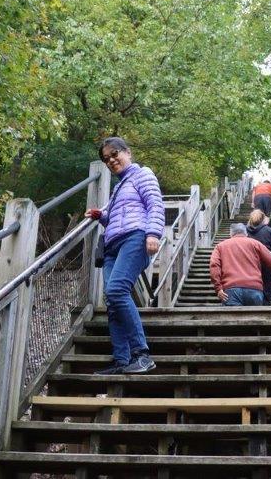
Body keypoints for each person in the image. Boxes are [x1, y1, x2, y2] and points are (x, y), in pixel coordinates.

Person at [85, 137, 164, 374]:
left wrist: (153, 233)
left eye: (114, 154)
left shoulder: (143, 175)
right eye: (106, 159)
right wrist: (102, 215)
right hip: (112, 246)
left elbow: (155, 204)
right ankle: (122, 360)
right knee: (112, 300)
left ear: (127, 152)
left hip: (135, 239)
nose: (111, 160)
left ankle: (142, 355)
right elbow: (118, 217)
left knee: (117, 290)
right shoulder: (119, 187)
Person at [209, 223, 271, 306]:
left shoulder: (220, 246)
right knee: (254, 318)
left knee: (233, 319)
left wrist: (218, 288)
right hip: (254, 289)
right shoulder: (255, 243)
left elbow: (214, 265)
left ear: (230, 234)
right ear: (246, 233)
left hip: (231, 290)